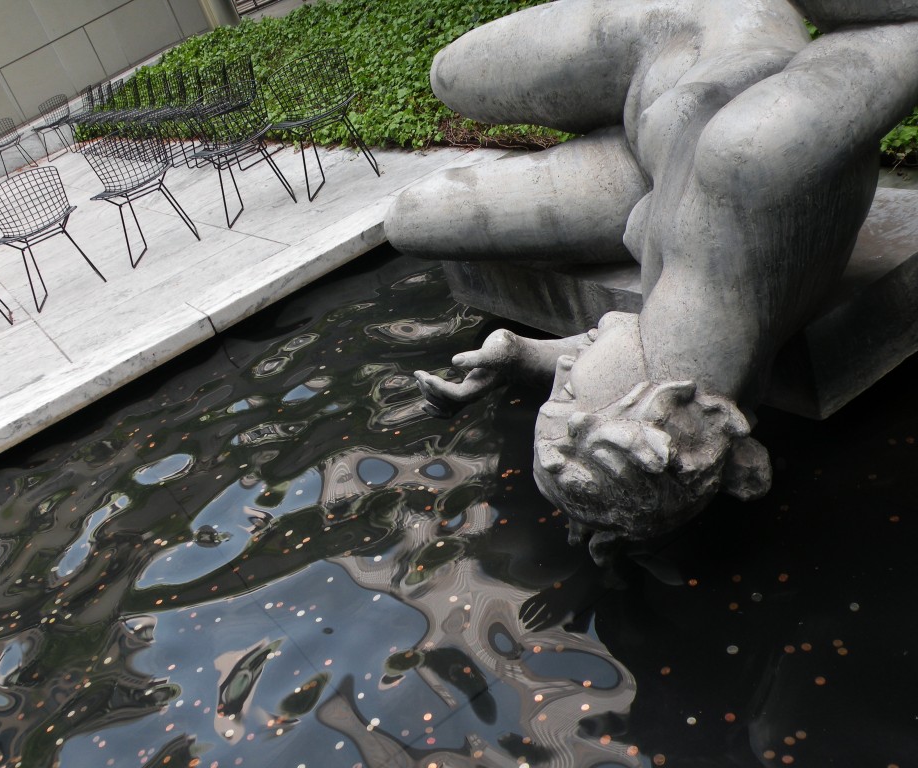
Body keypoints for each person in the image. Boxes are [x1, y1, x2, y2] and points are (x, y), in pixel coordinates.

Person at [387, 0, 918, 563]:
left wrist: (518, 354)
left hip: (643, 170)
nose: (562, 373)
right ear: (648, 397)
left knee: (411, 218)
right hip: (683, 32)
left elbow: (631, 362)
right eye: (566, 390)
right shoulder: (759, 155)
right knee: (450, 77)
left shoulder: (704, 371)